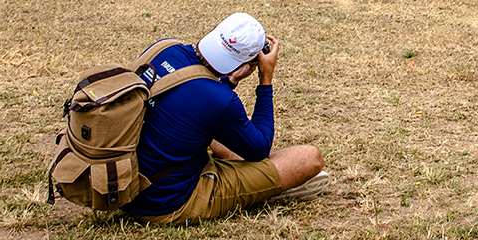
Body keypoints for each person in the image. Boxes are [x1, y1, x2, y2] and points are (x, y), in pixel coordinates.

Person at [123, 12, 328, 225]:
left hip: (124, 183)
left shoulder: (165, 48)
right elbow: (260, 148)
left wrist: (230, 80)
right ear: (252, 59)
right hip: (166, 203)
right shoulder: (220, 99)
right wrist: (265, 80)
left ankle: (253, 178)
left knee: (205, 131)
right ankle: (263, 189)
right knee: (309, 158)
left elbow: (193, 100)